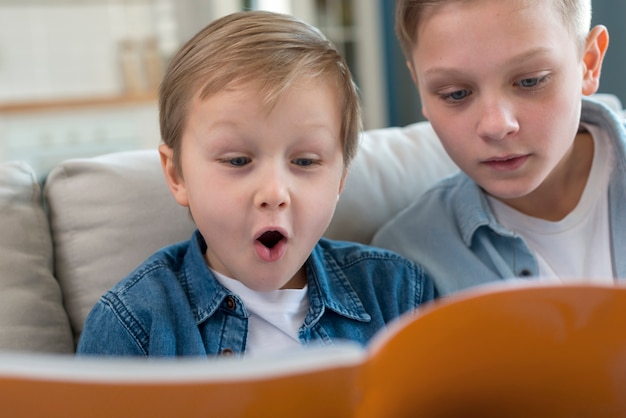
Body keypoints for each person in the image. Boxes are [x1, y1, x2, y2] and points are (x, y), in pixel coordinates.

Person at [77, 10, 436, 357]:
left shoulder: (400, 293)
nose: (274, 193)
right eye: (237, 161)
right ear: (176, 175)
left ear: (340, 179)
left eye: (305, 162)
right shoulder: (132, 325)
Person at [373, 0, 625, 296]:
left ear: (589, 63)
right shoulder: (404, 264)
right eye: (456, 94)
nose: (496, 125)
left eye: (531, 81)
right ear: (421, 89)